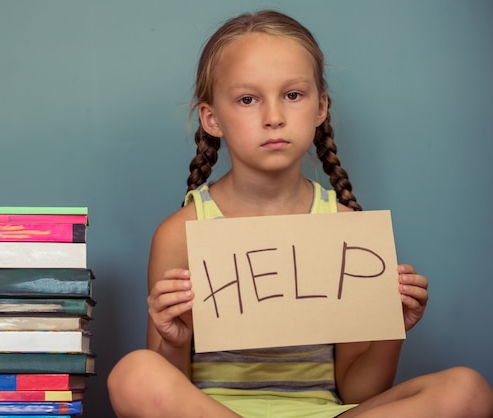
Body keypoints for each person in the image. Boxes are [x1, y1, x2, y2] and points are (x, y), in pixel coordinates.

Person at [107, 9, 493, 418]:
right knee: (134, 374)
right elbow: (166, 388)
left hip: (324, 413)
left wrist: (389, 330)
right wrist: (172, 338)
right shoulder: (179, 233)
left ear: (321, 107)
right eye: (247, 99)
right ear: (212, 118)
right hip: (216, 412)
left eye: (293, 95)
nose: (273, 117)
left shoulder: (346, 228)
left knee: (468, 389)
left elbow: (357, 391)